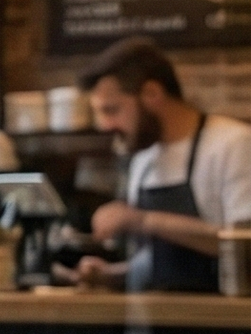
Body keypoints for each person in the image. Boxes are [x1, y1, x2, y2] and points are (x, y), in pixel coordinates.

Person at [74, 36, 251, 295]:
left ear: (152, 93)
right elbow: (159, 263)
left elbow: (244, 245)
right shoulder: (144, 158)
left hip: (218, 327)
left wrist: (143, 220)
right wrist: (114, 275)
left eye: (111, 110)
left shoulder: (233, 144)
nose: (105, 125)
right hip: (149, 327)